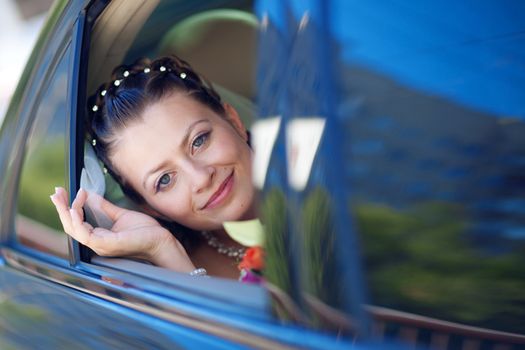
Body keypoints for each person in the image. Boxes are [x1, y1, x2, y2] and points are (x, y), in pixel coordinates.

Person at [50, 56, 256, 280]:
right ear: (150, 208)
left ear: (234, 121)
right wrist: (162, 249)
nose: (201, 179)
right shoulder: (172, 271)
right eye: (165, 180)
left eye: (199, 141)